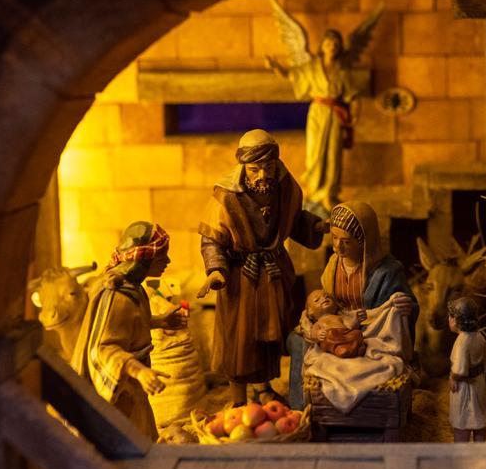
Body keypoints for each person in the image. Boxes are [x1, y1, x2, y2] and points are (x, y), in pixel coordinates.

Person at [196, 129, 329, 407]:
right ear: (244, 167)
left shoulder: (285, 187)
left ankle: (263, 389)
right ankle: (238, 400)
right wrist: (216, 270)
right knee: (238, 339)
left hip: (273, 274)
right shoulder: (225, 196)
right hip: (239, 277)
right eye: (255, 169)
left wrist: (317, 225)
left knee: (268, 338)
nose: (262, 175)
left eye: (267, 167)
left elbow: (294, 220)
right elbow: (211, 239)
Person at [286, 200, 418, 407]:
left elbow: (407, 308)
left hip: (372, 328)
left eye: (346, 241)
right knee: (296, 340)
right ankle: (302, 405)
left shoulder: (388, 271)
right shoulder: (332, 265)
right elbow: (321, 307)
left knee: (374, 353)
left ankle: (366, 403)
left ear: (364, 241)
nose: (338, 247)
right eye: (335, 238)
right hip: (336, 324)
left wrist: (405, 308)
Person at [265, 0, 383, 215]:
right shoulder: (311, 67)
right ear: (323, 46)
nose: (333, 47)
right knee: (315, 153)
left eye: (336, 44)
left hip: (336, 114)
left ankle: (329, 193)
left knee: (333, 154)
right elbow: (292, 75)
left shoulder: (342, 70)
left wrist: (354, 114)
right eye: (329, 43)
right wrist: (275, 67)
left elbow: (351, 95)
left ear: (339, 48)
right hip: (318, 112)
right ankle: (314, 192)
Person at [71, 221, 182, 440]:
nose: (167, 262)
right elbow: (103, 348)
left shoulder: (134, 288)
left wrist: (160, 321)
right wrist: (139, 372)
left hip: (132, 384)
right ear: (146, 258)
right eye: (162, 257)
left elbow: (128, 325)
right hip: (121, 388)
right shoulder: (118, 296)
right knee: (129, 437)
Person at [447, 296, 486, 443]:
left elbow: (460, 369)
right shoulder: (480, 337)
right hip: (479, 384)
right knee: (479, 421)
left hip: (464, 388)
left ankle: (462, 454)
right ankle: (479, 451)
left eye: (450, 316)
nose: (449, 319)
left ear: (456, 320)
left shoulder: (462, 341)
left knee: (462, 422)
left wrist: (453, 377)